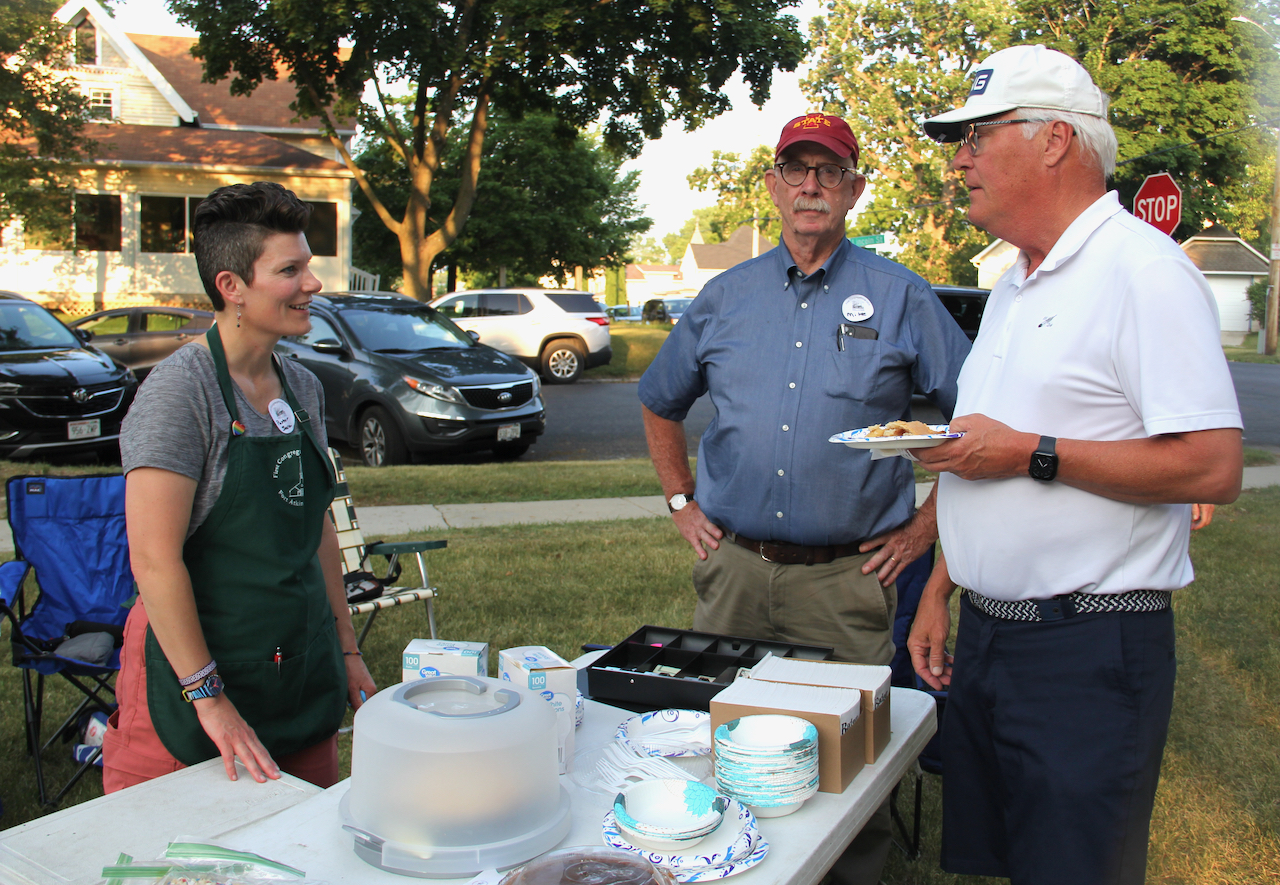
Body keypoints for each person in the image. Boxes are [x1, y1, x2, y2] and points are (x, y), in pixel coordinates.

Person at [908, 44, 1243, 885]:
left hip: (1088, 649)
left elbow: (1212, 465)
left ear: (1054, 139)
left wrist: (1031, 454)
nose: (960, 160)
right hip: (989, 638)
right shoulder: (1017, 283)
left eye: (977, 137)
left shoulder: (1144, 272)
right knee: (1008, 862)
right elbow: (982, 458)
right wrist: (944, 587)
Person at [639, 112, 971, 883]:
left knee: (846, 757)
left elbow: (975, 420)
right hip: (735, 572)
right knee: (721, 740)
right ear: (773, 186)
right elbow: (661, 401)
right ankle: (731, 864)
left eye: (829, 171)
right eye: (797, 169)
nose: (811, 185)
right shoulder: (724, 297)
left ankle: (849, 872)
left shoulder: (900, 296)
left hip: (846, 579)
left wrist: (925, 525)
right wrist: (679, 502)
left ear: (854, 189)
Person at [102, 182, 375, 791]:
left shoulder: (301, 385)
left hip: (297, 668)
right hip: (193, 684)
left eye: (309, 266)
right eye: (291, 269)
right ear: (232, 287)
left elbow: (317, 526)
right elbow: (152, 558)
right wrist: (209, 699)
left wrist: (346, 649)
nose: (314, 283)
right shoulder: (179, 394)